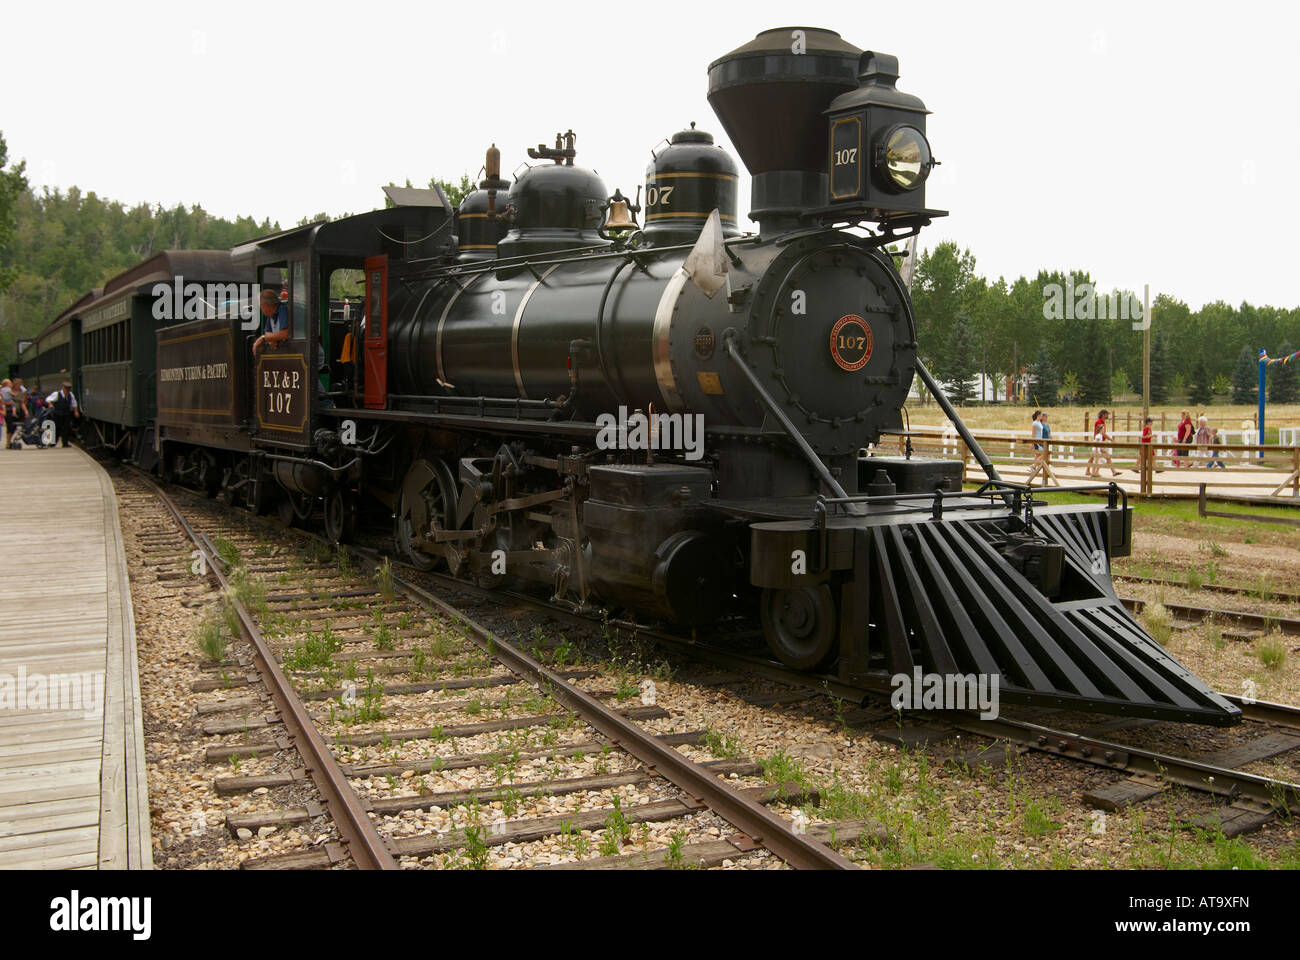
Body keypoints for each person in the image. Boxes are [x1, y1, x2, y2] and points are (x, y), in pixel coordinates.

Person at [253, 289, 289, 357]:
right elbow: (267, 333)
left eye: (261, 307)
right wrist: (272, 338)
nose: (261, 310)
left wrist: (263, 338)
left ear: (265, 306)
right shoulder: (271, 314)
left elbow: (285, 334)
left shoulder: (282, 309)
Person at [46, 380, 80, 448]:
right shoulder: (56, 394)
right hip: (57, 414)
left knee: (66, 429)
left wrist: (76, 411)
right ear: (63, 388)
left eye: (68, 389)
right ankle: (53, 443)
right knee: (56, 428)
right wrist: (50, 404)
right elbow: (48, 399)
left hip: (66, 414)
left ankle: (65, 443)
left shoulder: (71, 395)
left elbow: (74, 403)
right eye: (66, 389)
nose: (67, 391)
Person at [1088, 408, 1120, 477]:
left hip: (1099, 441)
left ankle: (1090, 471)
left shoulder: (1102, 422)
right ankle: (1112, 471)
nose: (1107, 415)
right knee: (1104, 456)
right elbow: (1102, 433)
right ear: (1103, 415)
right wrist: (1111, 439)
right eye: (1106, 414)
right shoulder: (1099, 422)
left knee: (1093, 457)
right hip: (1098, 442)